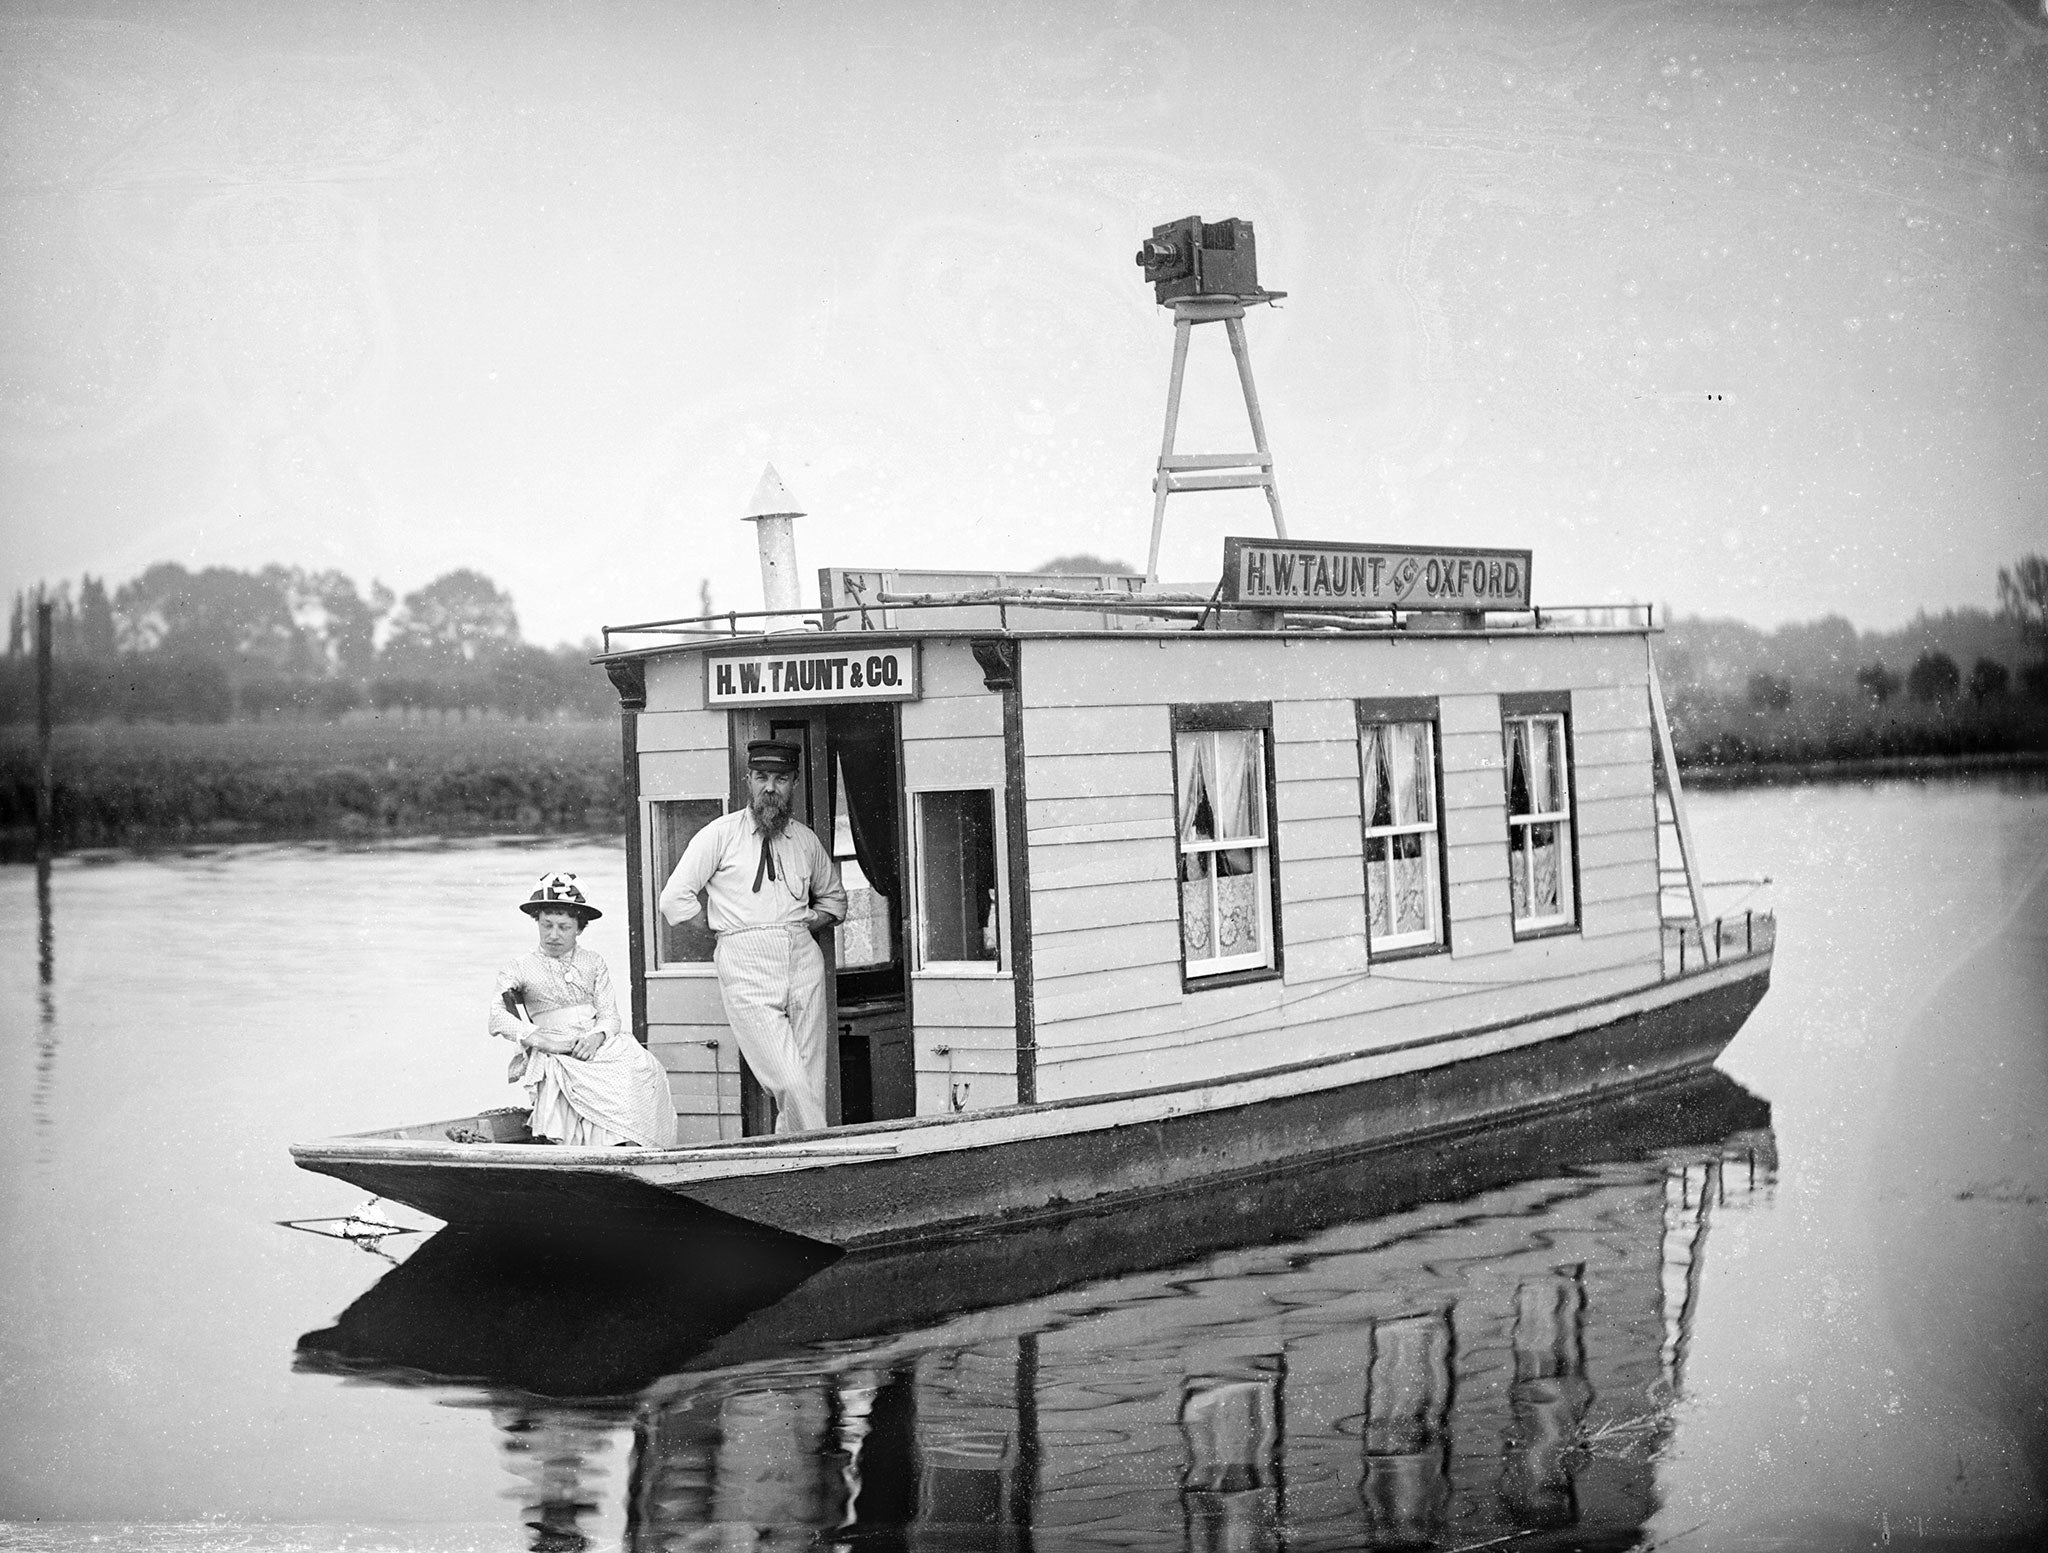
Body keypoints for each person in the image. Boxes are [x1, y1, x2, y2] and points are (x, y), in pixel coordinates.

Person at [658, 741, 847, 1133]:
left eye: (780, 779)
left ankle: (794, 1163)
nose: (770, 788)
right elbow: (674, 900)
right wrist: (715, 929)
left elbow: (836, 901)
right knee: (789, 1081)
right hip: (744, 960)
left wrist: (806, 922)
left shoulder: (805, 841)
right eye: (762, 778)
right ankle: (823, 1155)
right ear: (749, 780)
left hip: (802, 957)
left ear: (793, 782)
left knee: (810, 1079)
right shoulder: (720, 835)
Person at [488, 871, 677, 1148]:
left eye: (563, 927)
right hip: (555, 1047)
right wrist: (546, 1042)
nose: (553, 935)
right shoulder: (520, 967)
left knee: (645, 1068)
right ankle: (595, 1148)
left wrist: (595, 1037)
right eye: (546, 925)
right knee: (576, 1073)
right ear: (537, 923)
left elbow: (610, 1016)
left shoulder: (593, 962)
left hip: (594, 1042)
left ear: (579, 928)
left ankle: (632, 1146)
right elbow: (497, 1016)